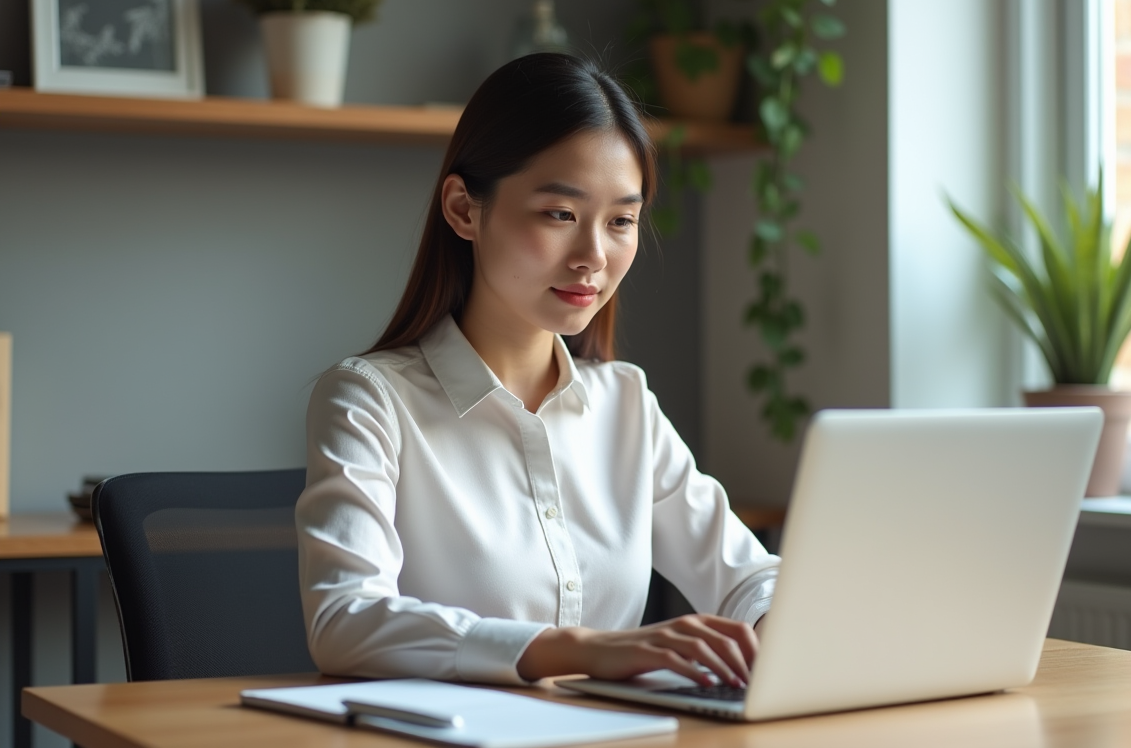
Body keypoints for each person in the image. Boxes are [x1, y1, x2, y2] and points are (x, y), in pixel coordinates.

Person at [296, 53, 780, 690]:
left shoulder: (624, 404)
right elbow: (344, 619)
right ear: (465, 209)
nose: (593, 257)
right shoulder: (369, 401)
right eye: (560, 214)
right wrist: (581, 650)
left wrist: (777, 627)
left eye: (622, 222)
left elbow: (747, 575)